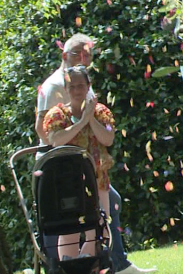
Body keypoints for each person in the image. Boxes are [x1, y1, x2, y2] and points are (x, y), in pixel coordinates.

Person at [34, 34, 154, 274]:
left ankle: (107, 264)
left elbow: (107, 136)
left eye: (88, 53)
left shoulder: (93, 100)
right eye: (80, 52)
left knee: (99, 219)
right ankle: (64, 268)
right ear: (65, 55)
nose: (85, 57)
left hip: (92, 169)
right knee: (65, 224)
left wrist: (88, 118)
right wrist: (78, 127)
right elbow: (45, 133)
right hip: (60, 168)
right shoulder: (54, 87)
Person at [43, 66, 115, 260]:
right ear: (66, 89)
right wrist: (81, 122)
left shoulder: (100, 112)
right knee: (70, 229)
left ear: (88, 86)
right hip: (68, 182)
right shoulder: (57, 114)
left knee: (99, 226)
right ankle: (70, 266)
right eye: (72, 86)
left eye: (81, 86)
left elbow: (108, 139)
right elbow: (56, 140)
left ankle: (89, 265)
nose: (77, 91)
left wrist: (90, 118)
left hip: (97, 178)